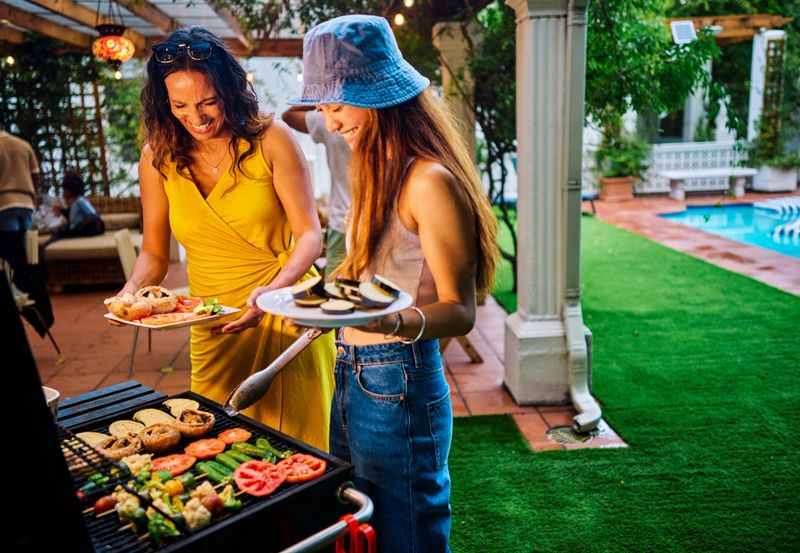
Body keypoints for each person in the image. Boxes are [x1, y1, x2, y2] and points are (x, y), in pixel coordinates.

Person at [287, 14, 499, 552]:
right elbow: (371, 275)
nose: (329, 124)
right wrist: (322, 296)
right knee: (365, 529)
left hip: (397, 378)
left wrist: (390, 320)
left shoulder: (428, 179)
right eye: (323, 109)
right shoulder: (375, 168)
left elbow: (460, 308)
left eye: (336, 106)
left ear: (375, 94)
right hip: (351, 369)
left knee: (407, 533)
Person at [124, 26, 334, 450]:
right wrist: (129, 295)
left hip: (288, 307)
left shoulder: (271, 139)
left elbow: (311, 235)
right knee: (215, 438)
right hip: (214, 322)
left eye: (208, 101)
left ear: (231, 91)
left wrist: (271, 293)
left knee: (300, 446)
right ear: (164, 102)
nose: (196, 117)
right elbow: (153, 253)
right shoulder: (157, 157)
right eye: (180, 105)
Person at [281, 106, 351, 276]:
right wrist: (327, 104)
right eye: (323, 110)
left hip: (347, 223)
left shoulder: (328, 122)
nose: (332, 125)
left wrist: (320, 102)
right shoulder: (330, 120)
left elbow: (289, 115)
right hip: (342, 222)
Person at [0, 125, 40, 232]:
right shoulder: (24, 145)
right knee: (27, 244)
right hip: (26, 203)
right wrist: (33, 196)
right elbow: (35, 175)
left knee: (10, 245)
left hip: (4, 203)